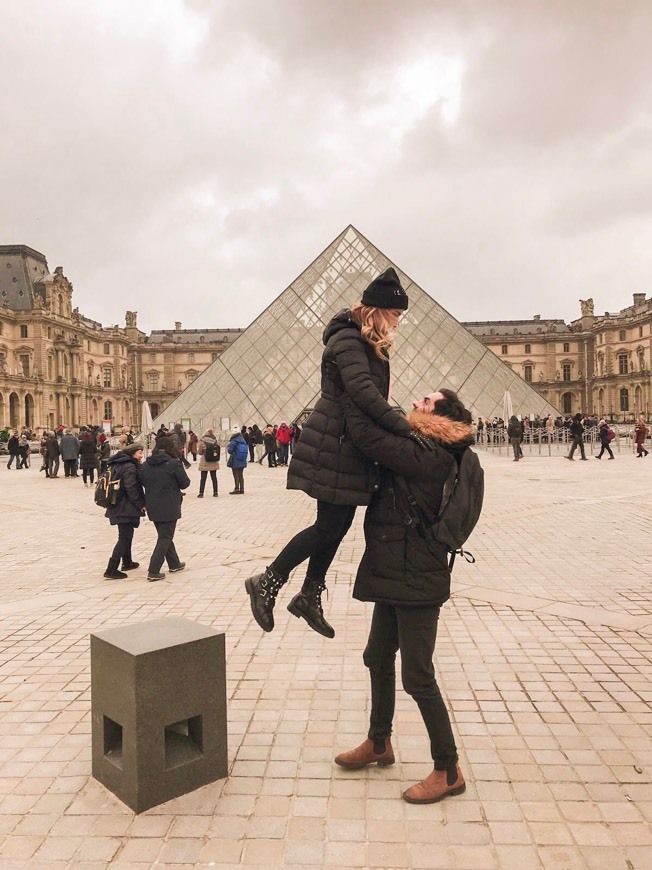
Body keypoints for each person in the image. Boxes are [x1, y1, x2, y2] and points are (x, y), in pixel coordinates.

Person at [245, 267, 411, 639]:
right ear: (379, 311)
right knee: (328, 526)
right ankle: (268, 580)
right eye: (396, 315)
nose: (399, 323)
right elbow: (364, 393)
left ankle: (309, 594)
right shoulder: (348, 342)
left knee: (335, 525)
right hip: (334, 446)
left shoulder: (362, 341)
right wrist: (407, 427)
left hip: (345, 445)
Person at [333, 389, 474, 804]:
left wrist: (356, 394)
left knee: (418, 675)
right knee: (376, 657)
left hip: (417, 576)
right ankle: (379, 743)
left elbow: (368, 438)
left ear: (439, 415)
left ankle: (448, 769)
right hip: (395, 570)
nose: (418, 400)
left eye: (427, 400)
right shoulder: (421, 447)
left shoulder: (429, 455)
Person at [141, 435, 190, 581]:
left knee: (164, 534)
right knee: (165, 537)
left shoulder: (146, 464)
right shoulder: (174, 463)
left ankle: (174, 563)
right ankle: (153, 570)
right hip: (169, 504)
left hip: (152, 505)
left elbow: (142, 482)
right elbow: (185, 483)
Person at [103, 442, 145, 579]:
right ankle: (111, 569)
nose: (141, 455)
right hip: (125, 506)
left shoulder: (118, 463)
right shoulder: (129, 467)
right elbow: (131, 488)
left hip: (117, 504)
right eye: (139, 453)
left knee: (127, 534)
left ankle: (127, 562)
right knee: (124, 537)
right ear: (132, 453)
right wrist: (140, 504)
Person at [197, 428, 220, 497]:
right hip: (214, 461)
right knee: (214, 477)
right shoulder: (215, 440)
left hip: (205, 461)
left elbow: (199, 452)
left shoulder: (202, 441)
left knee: (203, 478)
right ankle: (215, 492)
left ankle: (201, 493)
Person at [227, 426, 248, 494]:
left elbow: (230, 450)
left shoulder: (234, 441)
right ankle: (242, 489)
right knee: (241, 475)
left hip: (235, 459)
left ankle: (236, 488)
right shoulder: (243, 439)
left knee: (236, 475)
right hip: (242, 459)